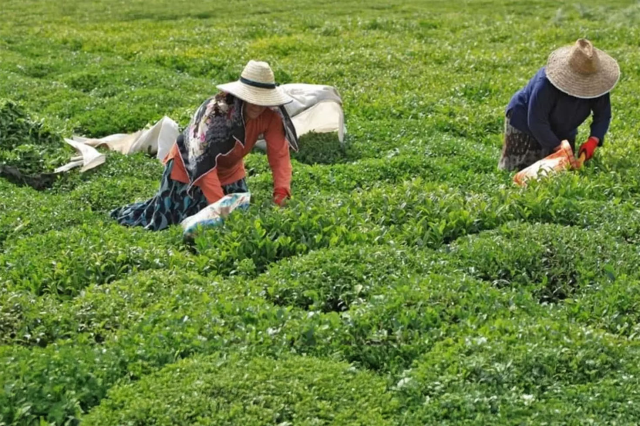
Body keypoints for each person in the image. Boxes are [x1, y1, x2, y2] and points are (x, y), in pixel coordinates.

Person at [110, 60, 299, 231]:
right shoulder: (215, 114)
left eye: (263, 100)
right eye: (253, 99)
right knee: (173, 222)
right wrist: (219, 208)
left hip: (230, 172)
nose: (258, 106)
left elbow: (279, 157)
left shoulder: (271, 116)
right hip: (188, 170)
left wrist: (281, 197)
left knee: (240, 217)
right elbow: (202, 163)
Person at [498, 38, 620, 171]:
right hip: (525, 122)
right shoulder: (545, 84)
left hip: (565, 126)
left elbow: (603, 115)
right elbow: (536, 121)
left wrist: (593, 140)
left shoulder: (598, 86)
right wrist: (557, 146)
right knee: (523, 169)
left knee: (563, 169)